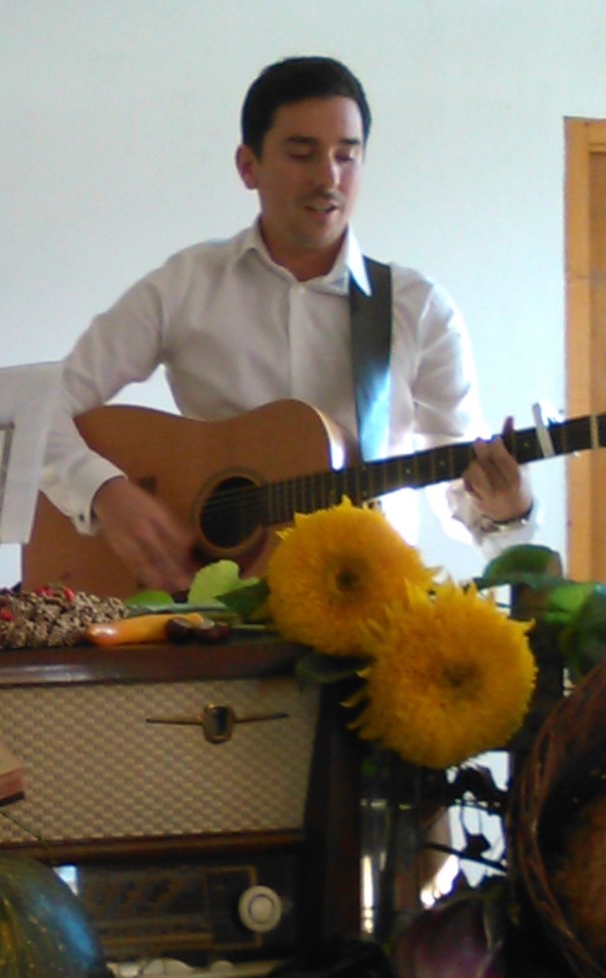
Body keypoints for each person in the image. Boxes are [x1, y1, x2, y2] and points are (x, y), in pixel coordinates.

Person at [41, 56, 534, 594]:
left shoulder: (419, 309)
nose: (328, 178)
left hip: (370, 609)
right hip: (214, 612)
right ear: (248, 166)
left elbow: (461, 496)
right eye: (302, 154)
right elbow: (40, 411)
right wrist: (104, 494)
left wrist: (504, 510)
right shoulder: (185, 286)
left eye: (347, 156)